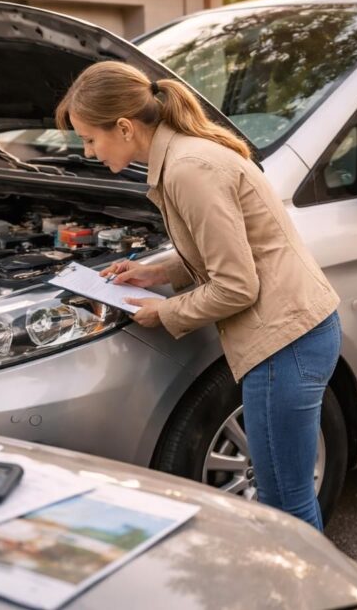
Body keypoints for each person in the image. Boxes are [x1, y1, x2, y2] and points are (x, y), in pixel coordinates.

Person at [55, 61, 342, 530]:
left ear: (124, 128)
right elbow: (226, 252)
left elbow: (237, 285)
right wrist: (154, 273)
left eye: (90, 138)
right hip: (298, 332)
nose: (88, 151)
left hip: (284, 342)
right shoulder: (188, 154)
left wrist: (166, 312)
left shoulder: (190, 170)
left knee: (285, 504)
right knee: (284, 494)